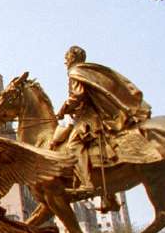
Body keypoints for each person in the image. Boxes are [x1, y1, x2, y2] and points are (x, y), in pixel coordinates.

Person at [50, 45, 155, 211]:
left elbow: (78, 96)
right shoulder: (84, 71)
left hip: (89, 118)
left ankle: (87, 184)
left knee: (73, 145)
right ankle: (108, 196)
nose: (65, 60)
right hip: (88, 115)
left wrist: (64, 108)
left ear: (73, 57)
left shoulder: (75, 71)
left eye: (67, 56)